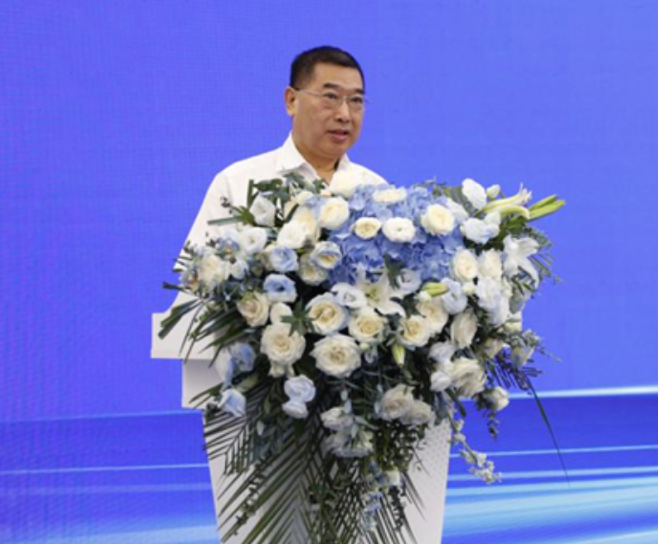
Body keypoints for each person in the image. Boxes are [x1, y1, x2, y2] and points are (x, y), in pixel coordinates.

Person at [152, 45, 450, 544]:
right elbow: (196, 285)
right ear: (291, 99)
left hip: (362, 408)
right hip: (264, 405)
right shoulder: (240, 182)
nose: (344, 113)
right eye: (330, 97)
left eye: (356, 101)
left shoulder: (379, 193)